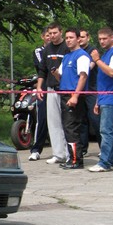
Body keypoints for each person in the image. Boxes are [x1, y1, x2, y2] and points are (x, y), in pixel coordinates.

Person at [88, 27, 113, 172]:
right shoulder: (106, 54)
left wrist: (97, 60)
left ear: (112, 37)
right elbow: (103, 81)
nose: (102, 41)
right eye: (100, 39)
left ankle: (104, 162)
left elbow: (112, 72)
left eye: (105, 38)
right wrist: (98, 100)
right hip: (105, 97)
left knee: (106, 131)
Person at [55, 28, 90, 169]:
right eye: (67, 38)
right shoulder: (67, 56)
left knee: (72, 127)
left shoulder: (82, 56)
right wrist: (54, 72)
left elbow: (83, 76)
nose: (68, 40)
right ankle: (71, 157)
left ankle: (77, 160)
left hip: (73, 95)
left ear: (78, 39)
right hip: (64, 94)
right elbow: (61, 76)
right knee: (67, 127)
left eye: (71, 37)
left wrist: (75, 96)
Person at [35, 22, 68, 164]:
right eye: (50, 33)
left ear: (61, 32)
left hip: (65, 89)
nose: (52, 36)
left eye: (55, 33)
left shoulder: (67, 47)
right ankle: (58, 154)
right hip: (50, 88)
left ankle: (69, 153)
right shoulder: (47, 49)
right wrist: (39, 87)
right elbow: (42, 70)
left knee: (67, 122)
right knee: (53, 122)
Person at [28, 27, 51, 161]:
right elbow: (43, 66)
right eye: (47, 35)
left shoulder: (62, 49)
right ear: (43, 37)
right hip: (44, 87)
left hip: (58, 86)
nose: (50, 37)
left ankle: (65, 151)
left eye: (52, 34)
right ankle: (36, 149)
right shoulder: (39, 51)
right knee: (42, 118)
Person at [78, 29, 101, 155]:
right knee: (82, 121)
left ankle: (103, 148)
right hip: (80, 91)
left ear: (88, 37)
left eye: (82, 37)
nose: (80, 39)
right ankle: (83, 149)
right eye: (78, 37)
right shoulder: (75, 51)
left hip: (92, 90)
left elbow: (90, 67)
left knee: (95, 120)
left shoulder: (93, 50)